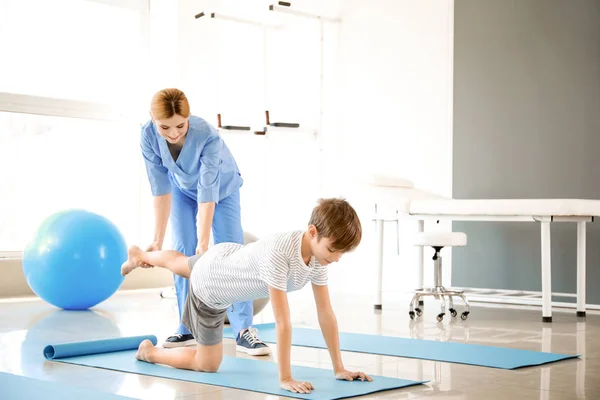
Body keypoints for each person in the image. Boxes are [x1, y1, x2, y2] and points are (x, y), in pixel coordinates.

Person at [121, 198, 373, 394]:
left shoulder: (319, 258)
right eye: (333, 250)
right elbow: (283, 322)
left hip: (224, 256)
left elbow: (325, 312)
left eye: (342, 253)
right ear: (312, 232)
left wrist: (339, 368)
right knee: (207, 364)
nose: (336, 258)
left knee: (183, 263)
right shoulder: (280, 254)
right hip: (211, 287)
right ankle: (149, 353)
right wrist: (285, 378)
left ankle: (140, 256)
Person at [140, 88, 268, 355]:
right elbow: (160, 188)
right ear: (153, 119)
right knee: (182, 253)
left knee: (231, 253)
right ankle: (187, 326)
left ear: (188, 118)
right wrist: (156, 240)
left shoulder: (207, 135)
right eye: (165, 127)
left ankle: (244, 329)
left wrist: (203, 244)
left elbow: (207, 193)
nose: (174, 133)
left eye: (180, 126)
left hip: (221, 189)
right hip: (181, 190)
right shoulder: (148, 135)